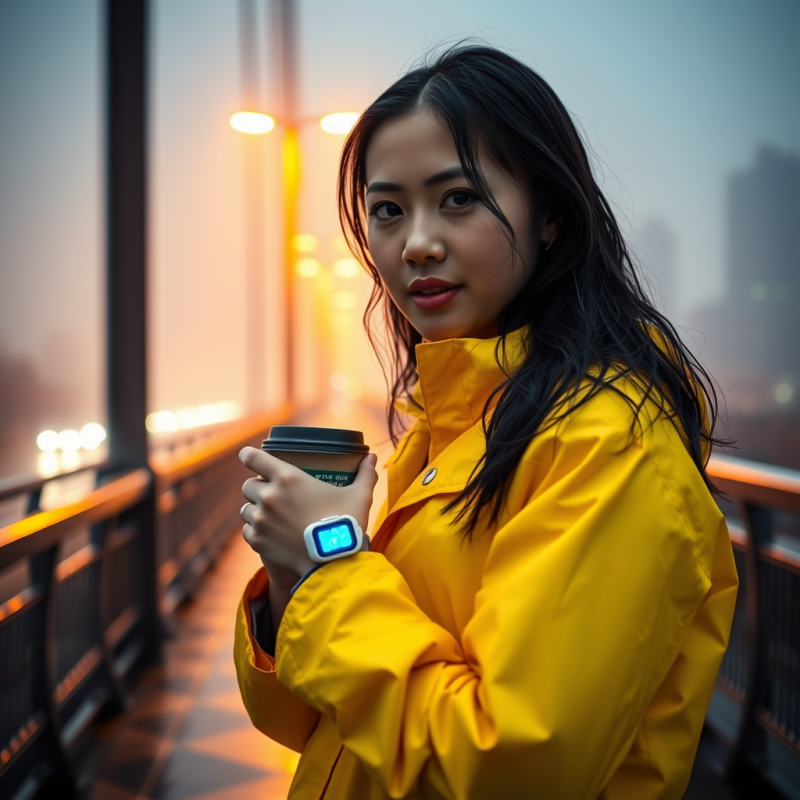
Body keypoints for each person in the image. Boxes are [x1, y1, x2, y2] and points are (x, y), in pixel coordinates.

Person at [234, 45, 738, 799]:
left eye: (458, 198)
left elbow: (514, 768)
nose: (417, 243)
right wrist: (288, 590)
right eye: (388, 210)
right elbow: (316, 725)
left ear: (550, 216)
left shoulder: (610, 444)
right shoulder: (444, 429)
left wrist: (327, 566)